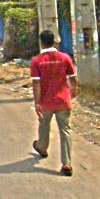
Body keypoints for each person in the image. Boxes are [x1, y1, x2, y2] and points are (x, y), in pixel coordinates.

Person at [30, 29, 78, 176]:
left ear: (41, 43)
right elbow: (73, 78)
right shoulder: (65, 58)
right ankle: (67, 163)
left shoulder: (37, 61)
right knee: (65, 130)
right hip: (63, 100)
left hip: (46, 101)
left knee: (44, 125)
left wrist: (37, 103)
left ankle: (42, 147)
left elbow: (36, 84)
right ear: (54, 42)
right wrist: (74, 90)